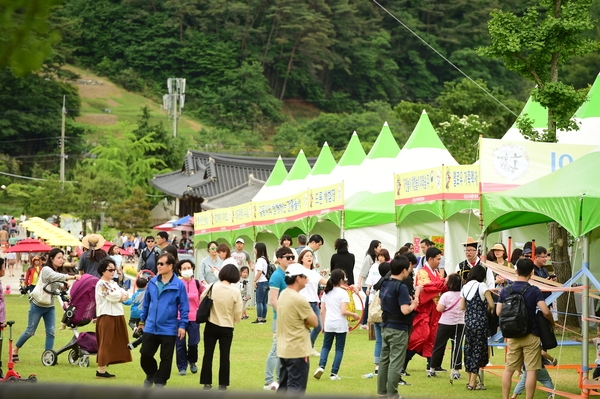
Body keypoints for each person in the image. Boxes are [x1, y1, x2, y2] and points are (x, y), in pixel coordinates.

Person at [497, 258, 554, 399]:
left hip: (513, 335)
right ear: (532, 272)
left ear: (516, 271)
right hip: (531, 335)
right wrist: (551, 323)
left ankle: (505, 397)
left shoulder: (506, 290)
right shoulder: (534, 291)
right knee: (531, 369)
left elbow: (499, 312)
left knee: (509, 369)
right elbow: (545, 311)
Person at [13, 248, 80, 361]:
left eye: (62, 258)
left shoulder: (56, 272)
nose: (61, 260)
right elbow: (54, 277)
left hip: (49, 307)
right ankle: (15, 350)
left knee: (51, 332)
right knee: (30, 331)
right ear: (52, 258)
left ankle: (47, 356)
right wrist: (72, 277)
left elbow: (56, 283)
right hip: (37, 305)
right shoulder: (46, 270)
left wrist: (63, 285)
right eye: (58, 258)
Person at [139, 253, 189, 388]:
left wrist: (182, 325)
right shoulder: (153, 282)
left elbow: (184, 307)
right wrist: (142, 321)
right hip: (150, 326)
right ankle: (151, 373)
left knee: (166, 358)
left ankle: (160, 382)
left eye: (162, 263)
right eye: (158, 263)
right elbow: (146, 304)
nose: (158, 266)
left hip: (169, 327)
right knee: (145, 354)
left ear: (170, 266)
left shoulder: (179, 285)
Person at [377, 255, 419, 398]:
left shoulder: (385, 282)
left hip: (386, 325)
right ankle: (392, 394)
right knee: (396, 361)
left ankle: (382, 392)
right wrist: (414, 304)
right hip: (398, 328)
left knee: (384, 360)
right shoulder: (401, 287)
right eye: (408, 267)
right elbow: (405, 310)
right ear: (403, 270)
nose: (409, 270)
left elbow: (380, 300)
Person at [277, 263, 318, 393]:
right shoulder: (299, 300)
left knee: (283, 387)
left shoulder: (283, 294)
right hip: (298, 349)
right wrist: (305, 322)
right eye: (305, 276)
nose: (308, 280)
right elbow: (315, 322)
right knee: (296, 388)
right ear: (298, 278)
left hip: (284, 348)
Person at [200, 264, 242, 391]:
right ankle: (223, 384)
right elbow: (238, 312)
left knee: (208, 354)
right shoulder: (235, 291)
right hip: (227, 326)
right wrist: (234, 319)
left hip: (211, 324)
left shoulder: (212, 286)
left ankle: (206, 382)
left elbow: (202, 298)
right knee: (225, 355)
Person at [405, 247, 447, 373]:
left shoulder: (436, 273)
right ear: (430, 259)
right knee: (421, 335)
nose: (440, 262)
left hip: (435, 310)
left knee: (433, 337)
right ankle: (403, 363)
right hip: (425, 310)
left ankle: (432, 364)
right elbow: (427, 288)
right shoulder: (423, 272)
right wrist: (444, 282)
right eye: (438, 259)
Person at [314, 269, 359, 381]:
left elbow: (322, 311)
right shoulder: (343, 293)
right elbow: (343, 311)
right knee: (339, 349)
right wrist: (354, 315)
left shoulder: (326, 292)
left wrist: (323, 325)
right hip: (340, 324)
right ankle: (334, 373)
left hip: (329, 323)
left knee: (326, 346)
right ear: (341, 280)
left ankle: (321, 366)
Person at [263, 246, 295, 391]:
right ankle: (269, 381)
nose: (291, 260)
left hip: (289, 318)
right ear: (279, 259)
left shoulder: (289, 274)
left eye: (292, 257)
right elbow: (273, 300)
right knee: (276, 350)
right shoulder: (277, 276)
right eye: (288, 257)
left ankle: (280, 379)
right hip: (281, 318)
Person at [95, 257, 132, 378]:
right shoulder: (101, 284)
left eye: (113, 270)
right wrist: (120, 296)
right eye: (110, 270)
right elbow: (113, 296)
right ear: (102, 271)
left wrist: (121, 295)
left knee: (118, 341)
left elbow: (125, 293)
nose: (112, 272)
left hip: (117, 314)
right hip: (106, 315)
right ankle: (101, 370)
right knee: (105, 342)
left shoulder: (113, 283)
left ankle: (105, 366)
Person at [460, 265, 494, 389]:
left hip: (468, 322)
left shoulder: (465, 287)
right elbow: (491, 304)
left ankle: (469, 380)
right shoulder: (482, 286)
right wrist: (487, 310)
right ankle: (473, 383)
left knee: (469, 349)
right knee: (478, 350)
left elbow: (462, 307)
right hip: (480, 322)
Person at [429, 273, 465, 380]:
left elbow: (439, 309)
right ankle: (455, 370)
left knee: (439, 346)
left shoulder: (445, 295)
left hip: (445, 323)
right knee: (457, 346)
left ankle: (432, 369)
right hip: (460, 323)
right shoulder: (463, 295)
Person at [175, 259, 203, 376]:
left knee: (193, 343)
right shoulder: (176, 283)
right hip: (179, 317)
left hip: (194, 317)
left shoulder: (197, 283)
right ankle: (182, 366)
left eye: (189, 268)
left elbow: (206, 294)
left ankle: (192, 361)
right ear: (180, 271)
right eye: (184, 268)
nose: (187, 270)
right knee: (180, 344)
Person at [298, 249, 328, 356]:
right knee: (303, 328)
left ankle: (309, 347)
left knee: (318, 326)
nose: (310, 258)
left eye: (311, 256)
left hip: (314, 302)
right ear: (301, 259)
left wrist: (342, 284)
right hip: (303, 302)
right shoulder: (298, 271)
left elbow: (327, 282)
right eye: (307, 256)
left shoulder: (314, 273)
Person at [357, 240, 381, 329]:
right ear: (374, 248)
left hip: (374, 284)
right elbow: (362, 273)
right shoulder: (368, 258)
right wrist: (359, 284)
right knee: (369, 301)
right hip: (366, 285)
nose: (380, 248)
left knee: (371, 301)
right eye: (379, 246)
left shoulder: (376, 258)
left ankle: (368, 321)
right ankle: (364, 323)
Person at [253, 242, 270, 324]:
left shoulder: (259, 260)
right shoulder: (265, 259)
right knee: (264, 302)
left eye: (255, 248)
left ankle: (259, 318)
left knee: (259, 301)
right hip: (266, 282)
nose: (254, 250)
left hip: (261, 282)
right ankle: (263, 318)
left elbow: (259, 272)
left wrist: (255, 280)